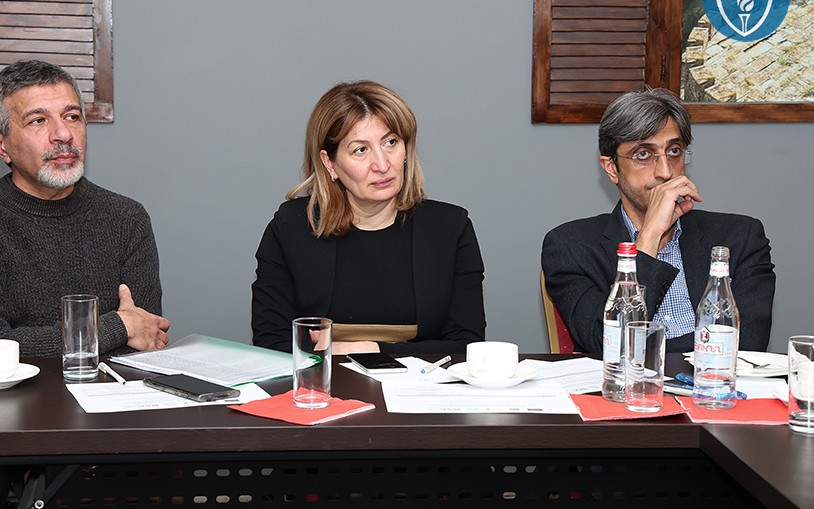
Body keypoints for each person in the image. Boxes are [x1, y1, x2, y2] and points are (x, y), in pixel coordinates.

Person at [0, 60, 170, 359]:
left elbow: (146, 334)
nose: (63, 134)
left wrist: (123, 330)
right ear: (1, 146)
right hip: (8, 391)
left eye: (72, 116)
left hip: (110, 387)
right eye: (38, 121)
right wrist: (116, 328)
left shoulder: (127, 218)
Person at [252, 80, 486, 355]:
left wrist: (369, 349)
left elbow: (466, 347)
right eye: (360, 150)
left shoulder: (451, 228)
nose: (383, 165)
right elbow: (272, 345)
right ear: (329, 163)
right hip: (323, 383)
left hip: (419, 382)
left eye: (390, 142)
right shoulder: (290, 228)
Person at [541, 88, 775, 354]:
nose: (665, 172)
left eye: (674, 151)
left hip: (710, 382)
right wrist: (648, 238)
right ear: (612, 168)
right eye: (643, 154)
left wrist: (643, 349)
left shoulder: (741, 237)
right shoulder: (570, 247)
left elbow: (748, 344)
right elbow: (606, 345)